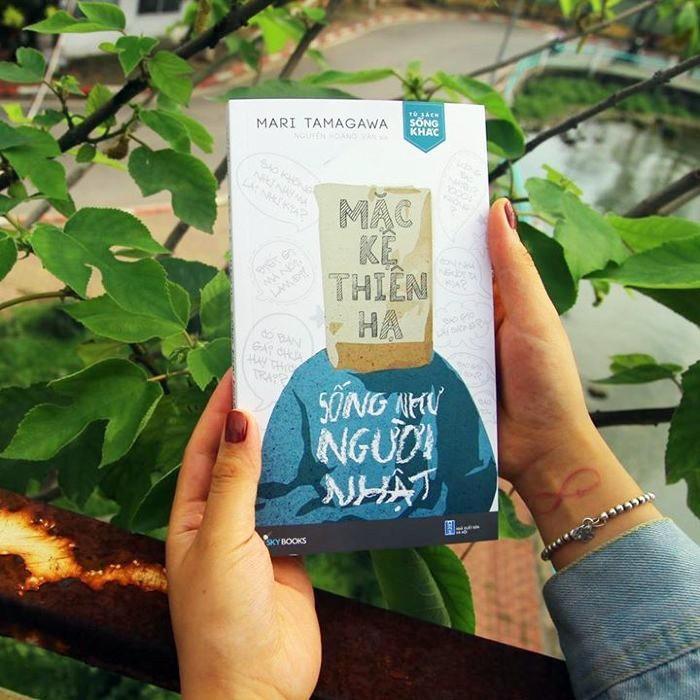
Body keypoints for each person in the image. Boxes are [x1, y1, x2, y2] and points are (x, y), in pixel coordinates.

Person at [166, 199, 700, 699]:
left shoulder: (439, 379)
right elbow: (280, 486)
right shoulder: (312, 381)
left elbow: (468, 473)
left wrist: (236, 681)